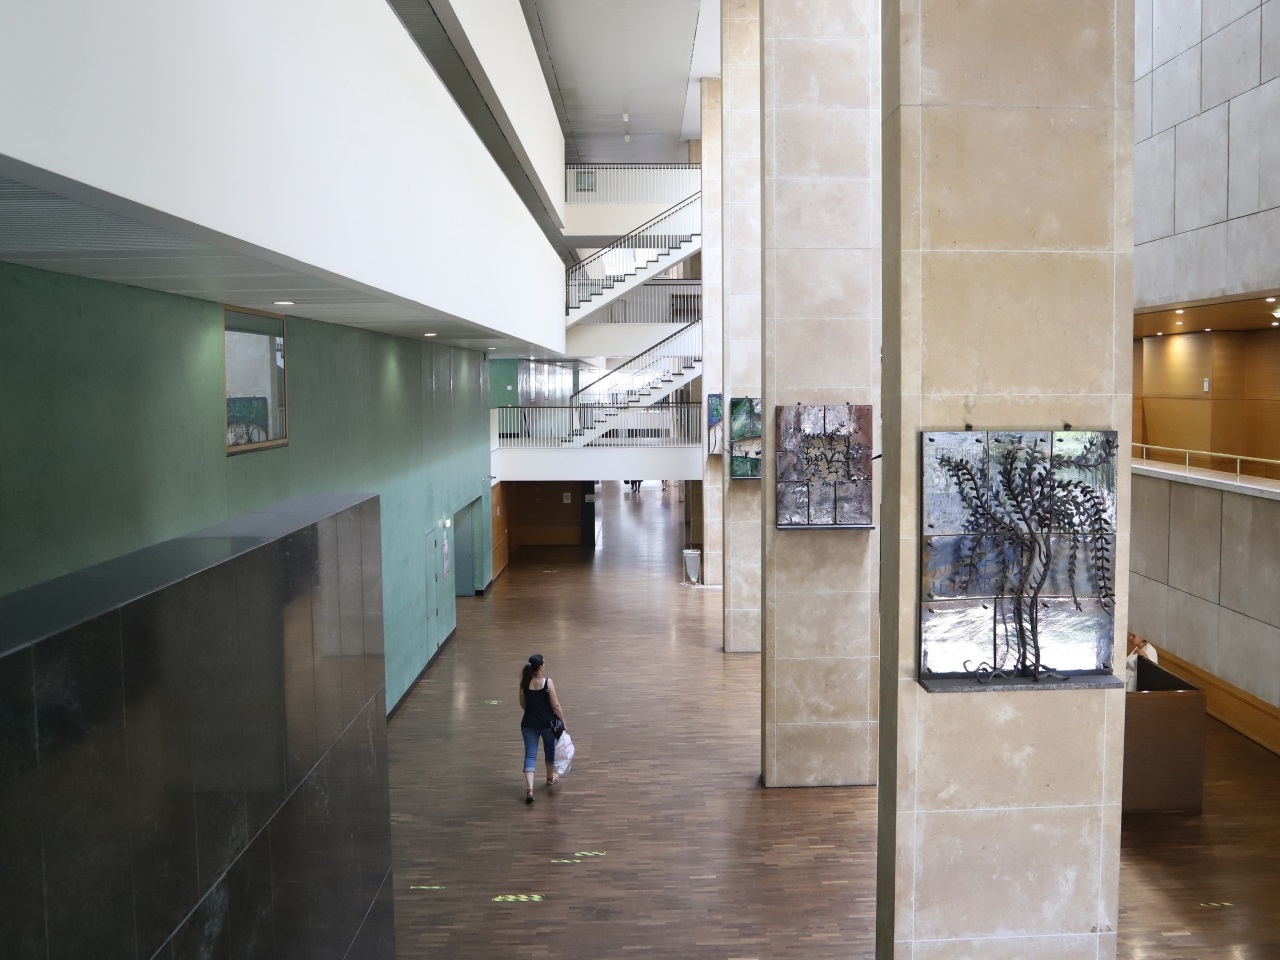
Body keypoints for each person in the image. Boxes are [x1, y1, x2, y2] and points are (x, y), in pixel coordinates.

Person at [519, 653, 565, 803]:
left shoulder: (524, 683)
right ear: (540, 667)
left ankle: (530, 789)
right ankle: (550, 778)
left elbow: (523, 704)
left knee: (530, 755)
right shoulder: (547, 683)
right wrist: (563, 723)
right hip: (547, 725)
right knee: (549, 751)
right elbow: (556, 706)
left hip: (528, 725)